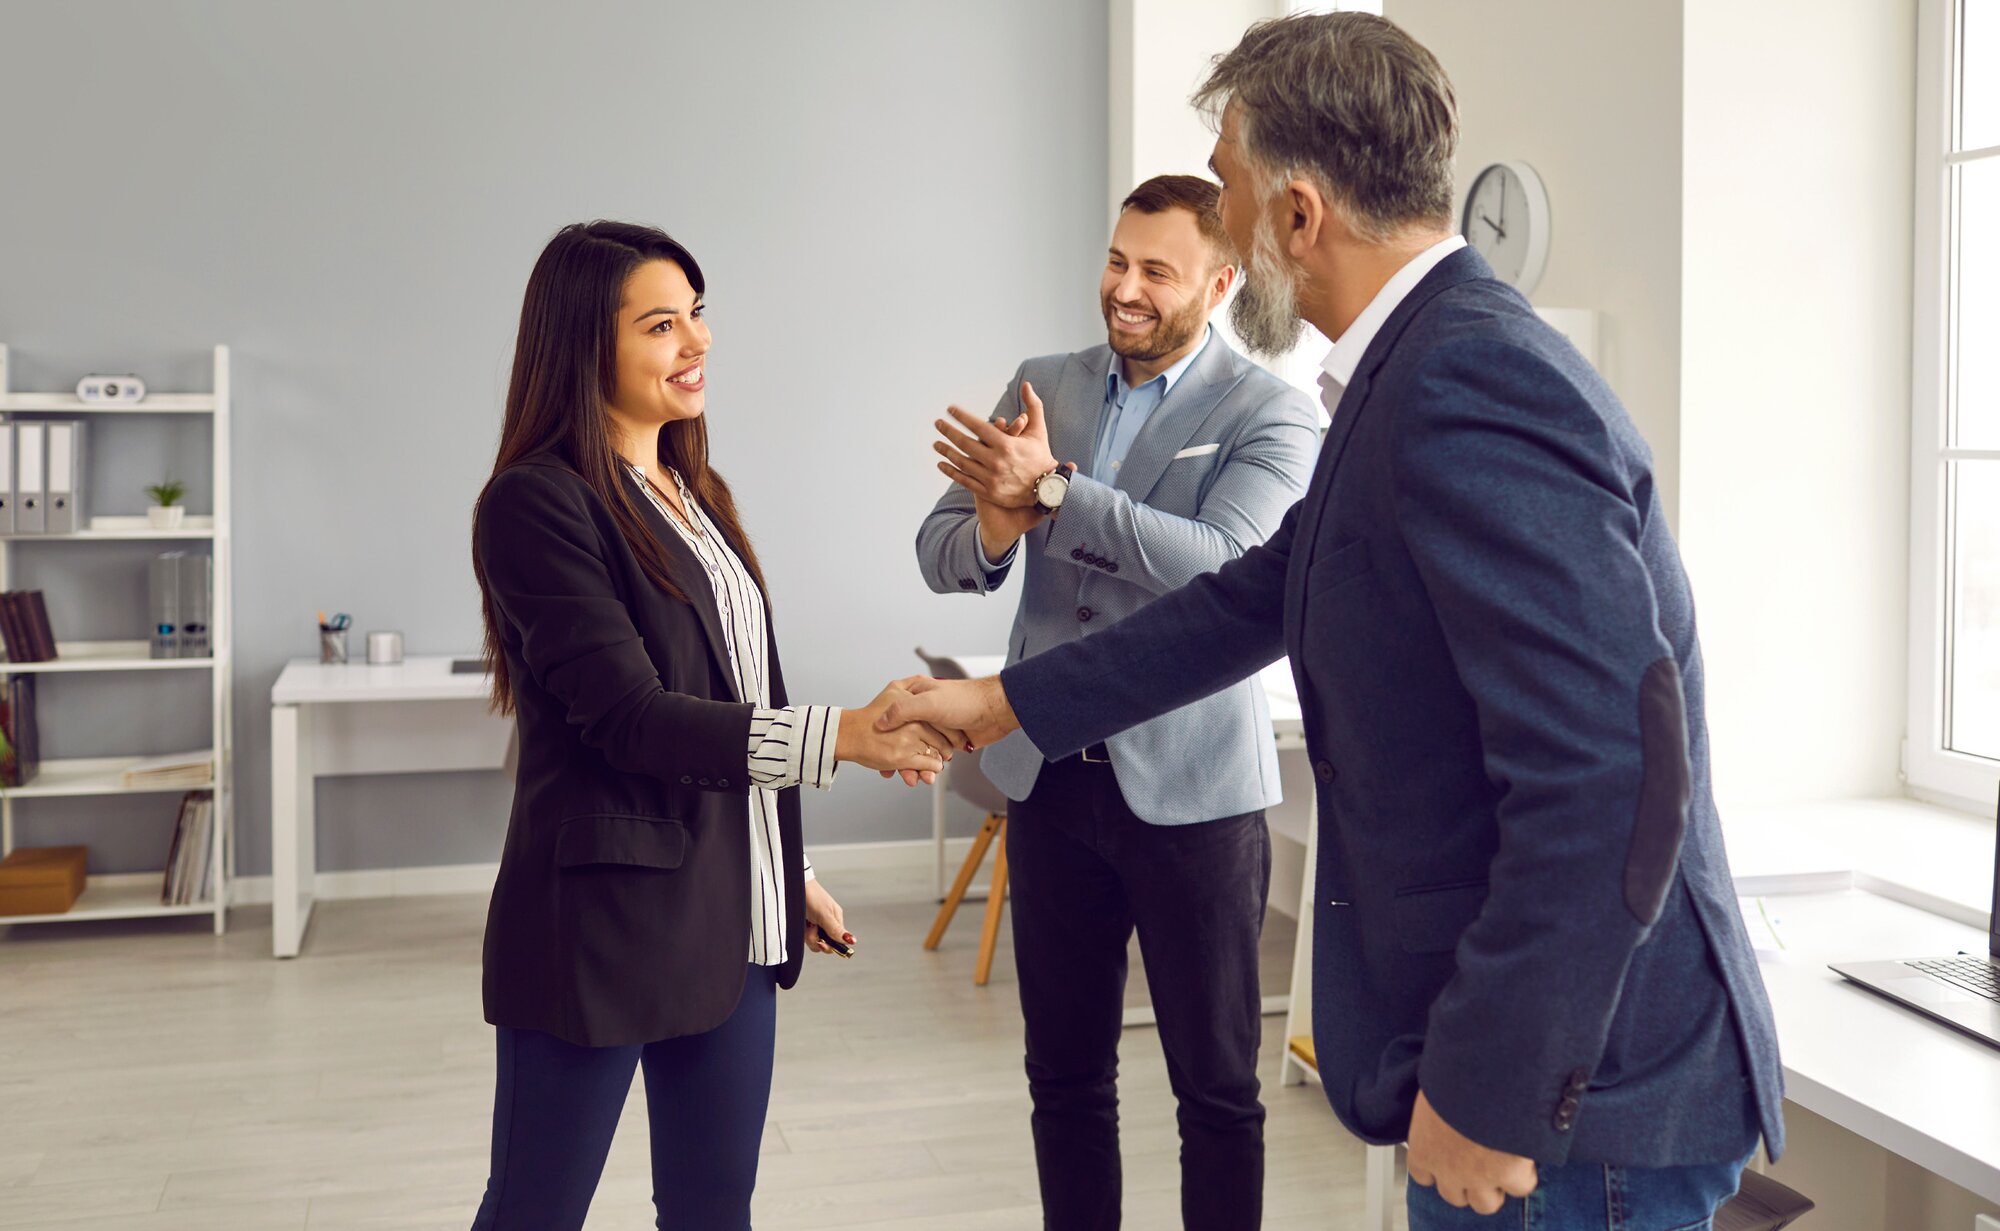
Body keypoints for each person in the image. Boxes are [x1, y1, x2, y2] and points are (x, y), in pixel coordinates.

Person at [881, 14, 1786, 1230]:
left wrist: (1489, 1083)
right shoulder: (1406, 369)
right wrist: (1001, 702)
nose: (1218, 216)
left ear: (1296, 215)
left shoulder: (1468, 379)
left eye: (1226, 188)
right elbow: (1256, 596)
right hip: (1546, 1085)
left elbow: (1611, 774)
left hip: (1572, 1105)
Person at [467, 220, 962, 1230]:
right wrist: (845, 737)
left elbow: (728, 698)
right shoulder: (535, 504)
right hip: (598, 930)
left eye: (698, 315)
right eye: (661, 324)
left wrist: (790, 865)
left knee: (711, 1210)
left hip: (729, 919)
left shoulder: (692, 491)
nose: (695, 343)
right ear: (581, 343)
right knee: (533, 1210)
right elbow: (633, 721)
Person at [917, 174, 1317, 1231]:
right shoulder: (1041, 381)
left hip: (1194, 795)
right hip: (1048, 782)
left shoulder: (1271, 412)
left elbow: (1221, 571)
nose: (1123, 288)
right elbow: (939, 550)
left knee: (1217, 1092)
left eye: (1154, 270)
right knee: (1063, 1076)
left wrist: (1053, 493)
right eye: (1114, 260)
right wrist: (997, 529)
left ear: (1221, 281)